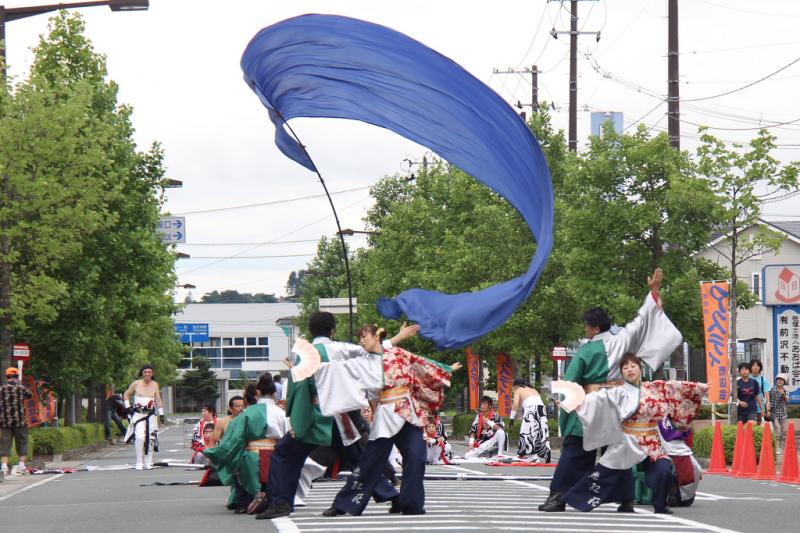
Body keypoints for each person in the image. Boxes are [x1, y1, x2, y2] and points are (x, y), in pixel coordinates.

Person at [541, 268, 680, 512]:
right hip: (620, 405)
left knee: (575, 451)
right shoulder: (623, 339)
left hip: (592, 405)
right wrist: (654, 292)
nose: (585, 330)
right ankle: (626, 499)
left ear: (593, 328)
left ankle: (558, 497)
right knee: (617, 451)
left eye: (586, 327)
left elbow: (571, 385)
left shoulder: (585, 351)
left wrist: (565, 409)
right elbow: (643, 320)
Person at [256, 313, 418, 520]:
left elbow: (297, 391)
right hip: (338, 417)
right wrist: (399, 336)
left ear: (310, 329)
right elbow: (373, 351)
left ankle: (280, 503)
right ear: (332, 330)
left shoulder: (303, 353)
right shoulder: (341, 349)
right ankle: (392, 496)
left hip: (312, 418)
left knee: (284, 455)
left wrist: (296, 419)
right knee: (358, 460)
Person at [323, 323, 460, 517]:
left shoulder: (399, 354)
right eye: (359, 338)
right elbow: (342, 372)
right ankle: (343, 504)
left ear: (376, 336)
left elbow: (421, 363)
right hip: (386, 414)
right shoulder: (362, 360)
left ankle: (410, 504)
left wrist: (445, 369)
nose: (361, 341)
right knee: (370, 462)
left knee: (416, 456)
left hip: (407, 411)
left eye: (364, 336)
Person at [561, 354, 705, 515]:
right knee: (604, 474)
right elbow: (594, 400)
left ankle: (660, 505)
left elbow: (677, 387)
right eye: (625, 367)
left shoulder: (654, 388)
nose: (629, 370)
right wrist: (571, 400)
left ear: (640, 368)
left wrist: (702, 387)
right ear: (621, 372)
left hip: (651, 441)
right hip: (627, 440)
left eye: (633, 366)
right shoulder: (616, 392)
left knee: (663, 470)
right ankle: (571, 497)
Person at [204, 373, 324, 514]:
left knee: (239, 466)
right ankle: (273, 502)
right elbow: (293, 434)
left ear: (258, 393)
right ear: (274, 394)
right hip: (277, 456)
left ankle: (244, 503)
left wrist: (214, 453)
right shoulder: (282, 413)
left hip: (251, 456)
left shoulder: (246, 414)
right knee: (281, 476)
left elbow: (234, 440)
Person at [123, 365, 164, 470]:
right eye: (145, 372)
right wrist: (127, 408)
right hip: (138, 414)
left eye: (149, 372)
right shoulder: (136, 383)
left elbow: (158, 399)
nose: (147, 374)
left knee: (151, 438)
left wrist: (161, 414)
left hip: (150, 414)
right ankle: (139, 462)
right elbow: (126, 395)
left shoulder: (155, 384)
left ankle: (148, 461)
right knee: (140, 437)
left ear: (152, 373)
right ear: (142, 373)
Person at [659, 416, 702, 508]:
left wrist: (686, 428)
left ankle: (680, 494)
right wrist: (682, 431)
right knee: (694, 469)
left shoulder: (679, 416)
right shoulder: (661, 416)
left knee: (696, 469)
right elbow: (667, 435)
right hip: (664, 447)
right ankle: (677, 494)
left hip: (680, 448)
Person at [1, 367, 33, 476]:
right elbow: (30, 395)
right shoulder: (21, 389)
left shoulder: (1, 389)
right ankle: (21, 467)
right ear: (17, 377)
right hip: (20, 422)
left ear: (7, 377)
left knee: (5, 444)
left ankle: (4, 468)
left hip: (5, 422)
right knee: (22, 443)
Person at [510, 378, 550, 463]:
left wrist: (511, 418)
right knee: (540, 431)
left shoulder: (518, 389)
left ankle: (532, 456)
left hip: (531, 408)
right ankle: (542, 455)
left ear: (516, 385)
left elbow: (515, 403)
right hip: (541, 408)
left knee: (526, 431)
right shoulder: (533, 389)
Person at [769, 373, 790, 454]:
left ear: (784, 382)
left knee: (781, 430)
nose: (779, 381)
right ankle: (777, 447)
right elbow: (771, 401)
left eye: (781, 380)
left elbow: (787, 401)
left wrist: (783, 393)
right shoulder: (773, 390)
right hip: (774, 413)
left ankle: (778, 447)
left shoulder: (785, 391)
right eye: (778, 379)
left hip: (783, 413)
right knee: (777, 428)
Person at [749, 359, 771, 425]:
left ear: (760, 367)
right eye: (754, 365)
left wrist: (767, 403)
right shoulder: (746, 378)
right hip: (748, 405)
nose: (756, 367)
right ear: (750, 367)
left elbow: (767, 393)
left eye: (758, 366)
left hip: (759, 406)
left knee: (757, 424)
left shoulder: (763, 380)